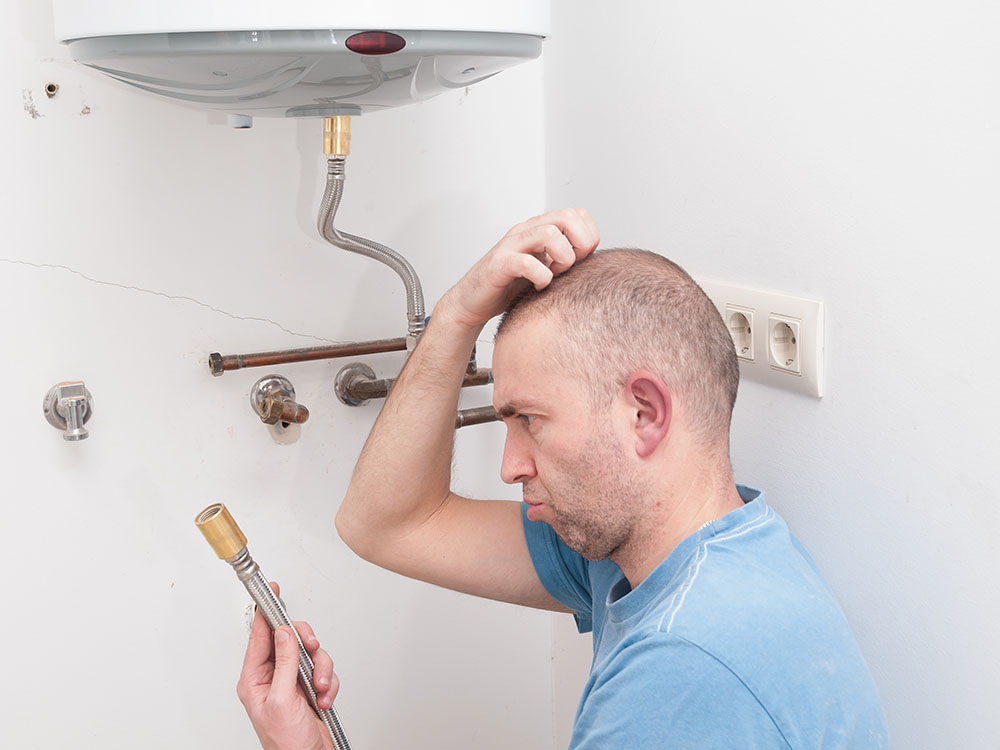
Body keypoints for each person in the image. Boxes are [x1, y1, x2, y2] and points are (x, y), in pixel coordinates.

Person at [239, 209, 888, 749]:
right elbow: (386, 523)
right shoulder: (663, 556)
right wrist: (457, 317)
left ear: (644, 414)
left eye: (530, 421)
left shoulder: (685, 665)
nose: (509, 464)